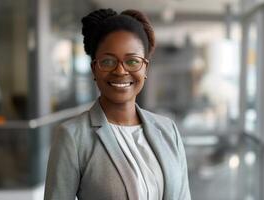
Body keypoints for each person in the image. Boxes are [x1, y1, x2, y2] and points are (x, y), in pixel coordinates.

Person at [44, 8, 191, 200]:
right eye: (108, 61)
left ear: (145, 67)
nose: (120, 70)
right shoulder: (73, 137)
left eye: (132, 61)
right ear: (94, 69)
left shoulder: (168, 130)